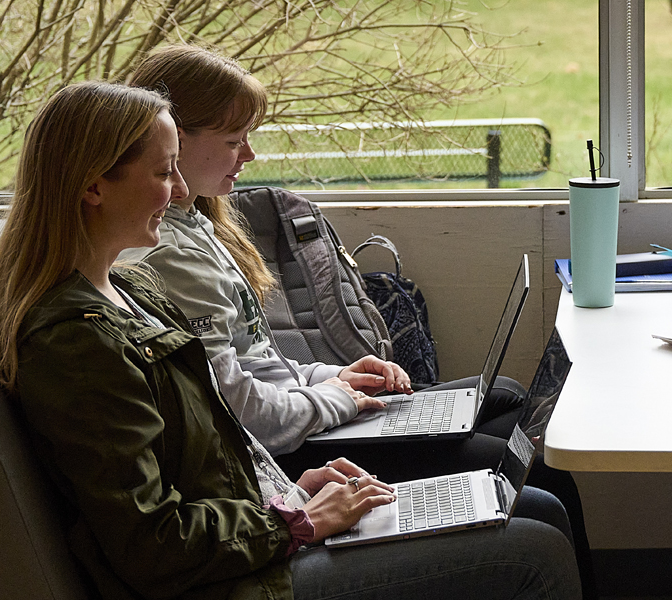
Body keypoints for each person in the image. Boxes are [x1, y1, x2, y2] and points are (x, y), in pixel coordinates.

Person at [0, 80, 578, 600]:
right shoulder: (76, 343)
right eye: (162, 173)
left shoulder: (131, 294)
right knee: (535, 549)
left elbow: (212, 442)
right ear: (93, 185)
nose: (180, 192)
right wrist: (301, 520)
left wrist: (294, 491)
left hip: (263, 535)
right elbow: (153, 543)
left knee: (537, 510)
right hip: (242, 578)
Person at [120, 45, 599, 599]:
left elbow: (257, 362)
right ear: (173, 141)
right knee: (525, 478)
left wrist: (333, 376)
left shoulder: (199, 227)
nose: (248, 154)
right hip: (289, 450)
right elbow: (241, 408)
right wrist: (342, 403)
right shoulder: (163, 255)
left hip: (287, 453)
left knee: (510, 401)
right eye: (232, 141)